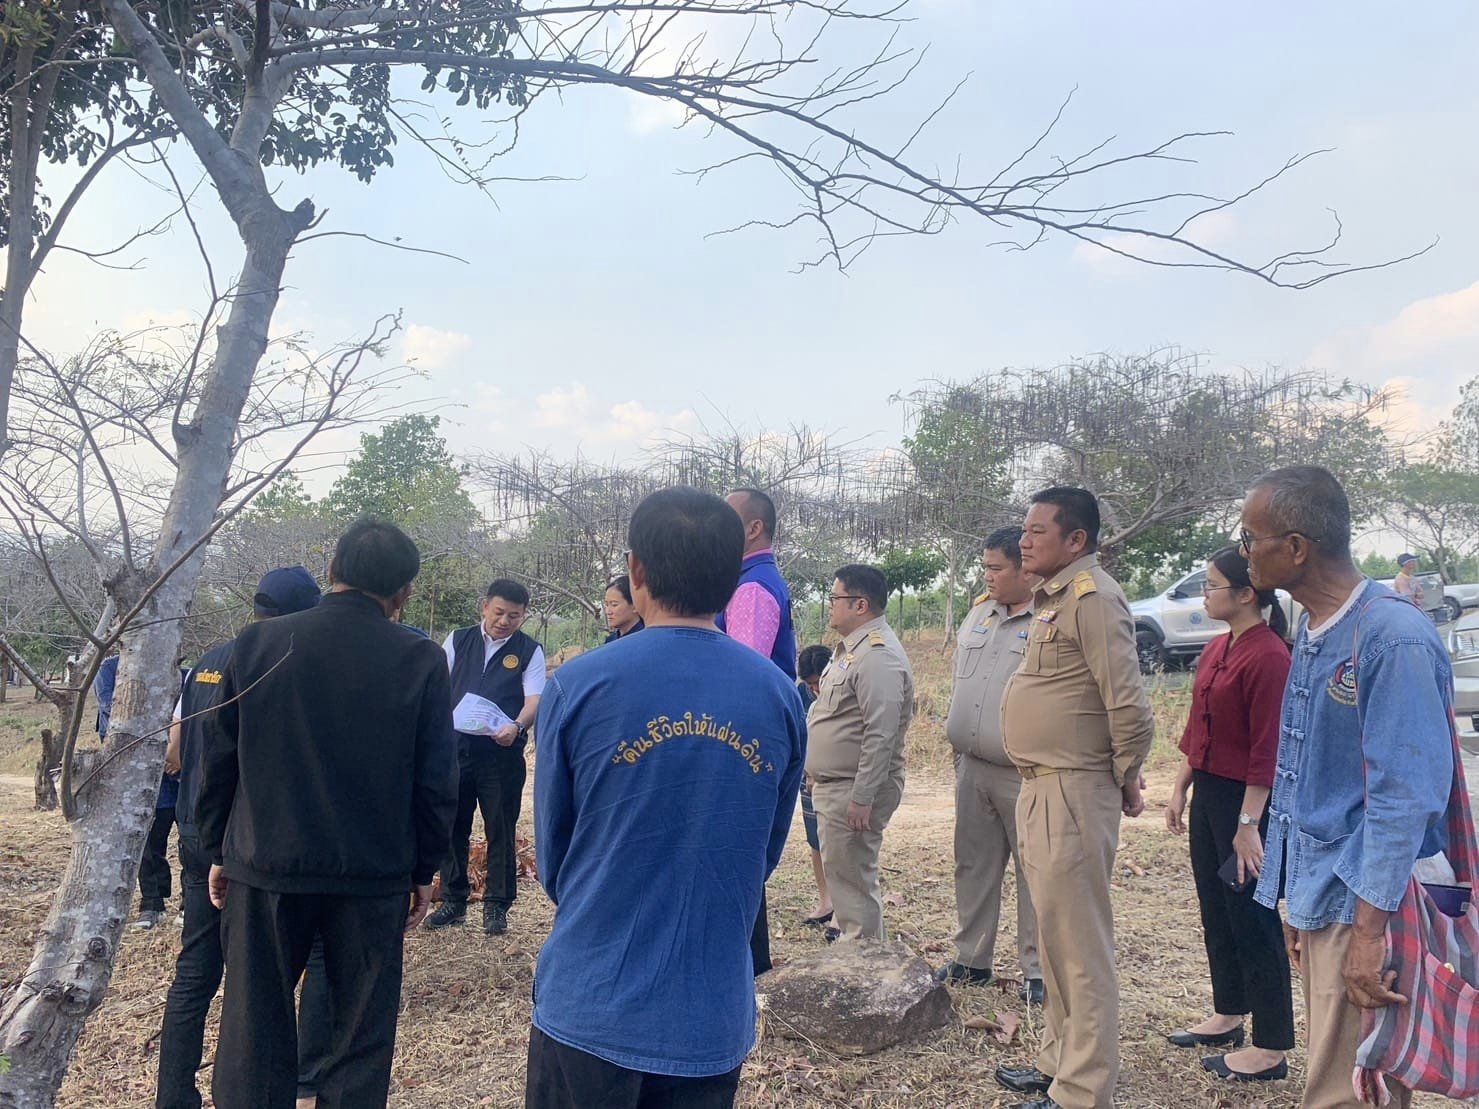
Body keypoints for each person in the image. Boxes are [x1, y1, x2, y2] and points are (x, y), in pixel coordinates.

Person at [526, 487, 806, 1109]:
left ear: (637, 570)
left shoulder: (577, 686)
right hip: (709, 1014)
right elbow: (762, 852)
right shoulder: (779, 696)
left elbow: (555, 858)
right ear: (732, 573)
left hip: (590, 1004)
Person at [197, 519, 458, 1109]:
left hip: (266, 864)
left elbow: (217, 760)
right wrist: (423, 869)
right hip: (373, 876)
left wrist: (218, 849)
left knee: (253, 1031)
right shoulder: (417, 658)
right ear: (404, 592)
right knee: (359, 1037)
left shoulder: (258, 643)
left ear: (331, 571)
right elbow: (437, 781)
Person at [1241, 466, 1454, 1109]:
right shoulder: (1312, 627)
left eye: (1251, 537)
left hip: (1362, 896)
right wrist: (1290, 896)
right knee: (1346, 1078)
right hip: (1323, 889)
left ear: (1297, 547)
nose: (1245, 550)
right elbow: (1305, 776)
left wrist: (1367, 935)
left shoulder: (1391, 636)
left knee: (1346, 1092)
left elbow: (1403, 799)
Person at [995, 487, 1154, 1109]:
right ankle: (1060, 1059)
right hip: (1038, 787)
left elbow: (1129, 705)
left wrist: (1123, 775)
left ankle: (1084, 1089)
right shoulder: (1054, 599)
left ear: (1076, 540)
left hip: (1073, 788)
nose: (1024, 540)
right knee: (1056, 938)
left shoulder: (1094, 598)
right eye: (1024, 530)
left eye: (1037, 531)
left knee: (1081, 947)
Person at [155, 566, 330, 1109]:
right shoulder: (276, 661)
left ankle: (173, 1094)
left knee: (195, 969)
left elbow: (175, 751)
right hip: (244, 845)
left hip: (193, 833)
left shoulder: (208, 660)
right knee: (257, 975)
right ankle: (265, 1088)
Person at [1162, 547, 1294, 1082]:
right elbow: (1200, 731)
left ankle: (1272, 1046)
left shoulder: (1269, 656)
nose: (1204, 594)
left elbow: (1268, 750)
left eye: (1212, 585)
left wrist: (1247, 828)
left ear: (1246, 594)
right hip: (1211, 794)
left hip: (1248, 802)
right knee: (1216, 906)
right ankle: (1228, 1012)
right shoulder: (1218, 648)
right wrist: (1179, 791)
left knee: (1253, 916)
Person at [935, 527, 1044, 1005]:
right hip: (972, 765)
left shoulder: (1052, 618)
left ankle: (1037, 970)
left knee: (1034, 870)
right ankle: (971, 958)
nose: (989, 576)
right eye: (986, 568)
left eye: (997, 568)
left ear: (1025, 568)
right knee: (973, 863)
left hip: (1025, 772)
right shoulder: (980, 613)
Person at [426, 579, 547, 936]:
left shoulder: (529, 650)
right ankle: (453, 899)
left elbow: (534, 699)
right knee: (452, 826)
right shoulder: (458, 639)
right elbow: (438, 686)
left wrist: (517, 726)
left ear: (523, 616)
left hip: (501, 752)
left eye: (514, 616)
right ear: (484, 607)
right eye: (498, 613)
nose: (504, 621)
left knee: (500, 828)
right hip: (456, 748)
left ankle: (496, 905)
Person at [804, 564, 914, 942]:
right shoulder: (852, 650)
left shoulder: (876, 656)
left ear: (860, 604)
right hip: (838, 786)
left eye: (835, 598)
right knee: (846, 882)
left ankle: (864, 972)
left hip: (854, 789)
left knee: (853, 886)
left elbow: (881, 733)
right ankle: (865, 966)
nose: (830, 606)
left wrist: (862, 796)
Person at [95, 652, 180, 930]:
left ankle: (191, 903)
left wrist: (175, 749)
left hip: (176, 766)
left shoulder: (177, 667)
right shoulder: (110, 668)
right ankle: (152, 903)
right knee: (147, 840)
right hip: (136, 766)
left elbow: (186, 710)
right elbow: (113, 710)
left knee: (192, 838)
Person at [796, 644, 834, 926]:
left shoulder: (843, 690)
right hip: (808, 777)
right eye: (810, 684)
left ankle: (844, 912)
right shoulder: (801, 695)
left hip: (836, 779)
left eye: (818, 682)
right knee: (816, 839)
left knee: (839, 844)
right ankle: (826, 902)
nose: (815, 689)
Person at [602, 574, 644, 643]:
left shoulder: (645, 638)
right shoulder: (610, 640)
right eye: (606, 605)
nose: (608, 612)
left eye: (614, 605)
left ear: (635, 605)